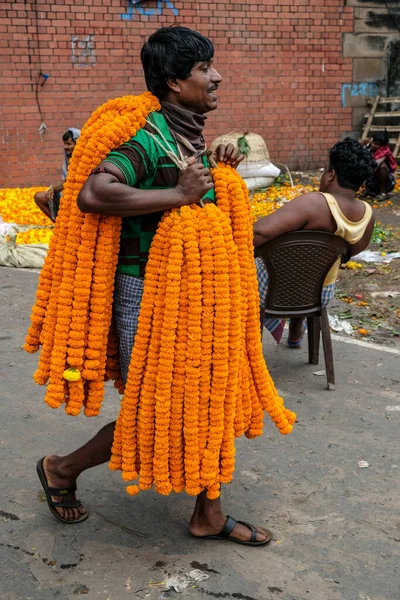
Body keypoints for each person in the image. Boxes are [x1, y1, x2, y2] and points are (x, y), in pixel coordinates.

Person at [36, 26, 273, 547]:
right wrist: (178, 193)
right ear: (173, 82)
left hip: (198, 296)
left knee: (208, 397)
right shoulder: (143, 138)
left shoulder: (184, 133)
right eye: (203, 70)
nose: (216, 76)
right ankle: (61, 468)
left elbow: (197, 191)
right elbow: (96, 193)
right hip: (150, 294)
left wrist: (217, 168)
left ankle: (207, 512)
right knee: (160, 406)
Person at [253, 138, 376, 347]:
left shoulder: (315, 203)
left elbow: (257, 233)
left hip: (273, 291)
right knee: (310, 265)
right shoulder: (367, 214)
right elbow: (348, 253)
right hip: (319, 293)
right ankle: (296, 329)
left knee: (254, 263)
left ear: (331, 174)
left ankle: (244, 345)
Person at [34, 128, 81, 221]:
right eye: (64, 144)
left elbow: (71, 183)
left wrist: (54, 189)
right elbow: (66, 181)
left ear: (77, 144)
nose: (65, 147)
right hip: (68, 193)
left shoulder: (83, 159)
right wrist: (54, 189)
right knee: (39, 197)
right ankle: (58, 225)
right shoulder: (68, 157)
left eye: (69, 144)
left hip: (79, 197)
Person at [363, 131, 397, 201]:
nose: (373, 145)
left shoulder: (384, 152)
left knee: (382, 166)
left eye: (376, 144)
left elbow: (375, 165)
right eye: (373, 142)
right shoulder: (369, 148)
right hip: (372, 181)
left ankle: (383, 193)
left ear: (382, 146)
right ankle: (369, 190)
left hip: (386, 183)